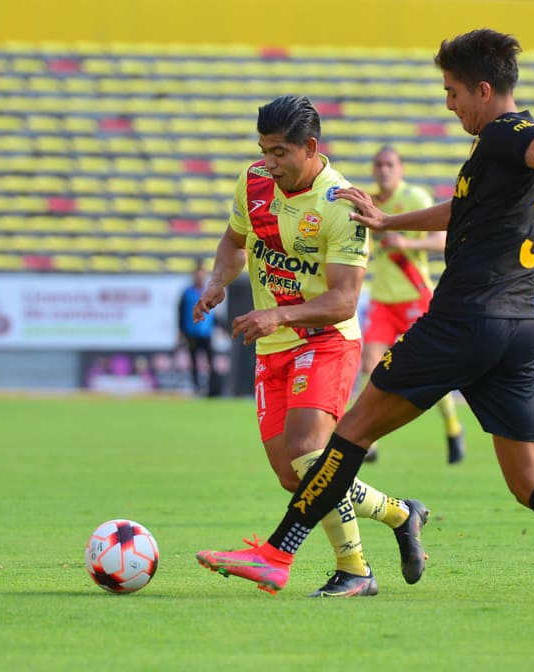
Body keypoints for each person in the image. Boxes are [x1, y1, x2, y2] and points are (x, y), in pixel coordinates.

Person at [195, 30, 534, 603]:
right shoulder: (498, 155)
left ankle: (277, 554)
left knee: (348, 435)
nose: (449, 103)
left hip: (463, 320)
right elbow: (463, 208)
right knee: (532, 484)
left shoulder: (508, 134)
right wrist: (389, 223)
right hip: (517, 328)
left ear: (484, 90)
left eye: (453, 91)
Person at [193, 95, 428, 597]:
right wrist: (217, 282)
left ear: (310, 147)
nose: (269, 162)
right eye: (263, 150)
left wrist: (278, 312)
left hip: (324, 341)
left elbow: (344, 301)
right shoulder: (253, 180)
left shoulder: (340, 203)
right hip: (270, 346)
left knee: (307, 452)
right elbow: (234, 242)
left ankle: (355, 571)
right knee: (293, 475)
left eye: (280, 152)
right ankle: (401, 513)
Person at [359, 146, 464, 464]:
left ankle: (452, 427)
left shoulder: (415, 197)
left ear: (401, 169)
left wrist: (407, 242)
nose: (384, 170)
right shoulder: (370, 203)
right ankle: (369, 441)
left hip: (415, 297)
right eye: (378, 164)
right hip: (382, 299)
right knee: (370, 366)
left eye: (390, 164)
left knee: (431, 371)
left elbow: (443, 239)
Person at [177, 262, 218, 395]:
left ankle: (212, 390)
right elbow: (180, 312)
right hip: (191, 332)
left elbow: (214, 313)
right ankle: (196, 388)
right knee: (193, 361)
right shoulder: (187, 293)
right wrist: (180, 331)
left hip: (206, 333)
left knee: (211, 361)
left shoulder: (208, 292)